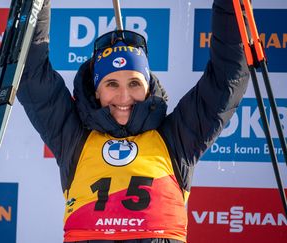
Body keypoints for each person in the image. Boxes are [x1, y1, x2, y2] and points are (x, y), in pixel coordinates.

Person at [17, 0, 250, 242]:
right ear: (96, 90)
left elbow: (226, 79)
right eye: (111, 84)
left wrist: (230, 5)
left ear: (148, 87)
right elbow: (31, 75)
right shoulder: (73, 137)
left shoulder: (177, 137)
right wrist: (36, 4)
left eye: (134, 83)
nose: (124, 96)